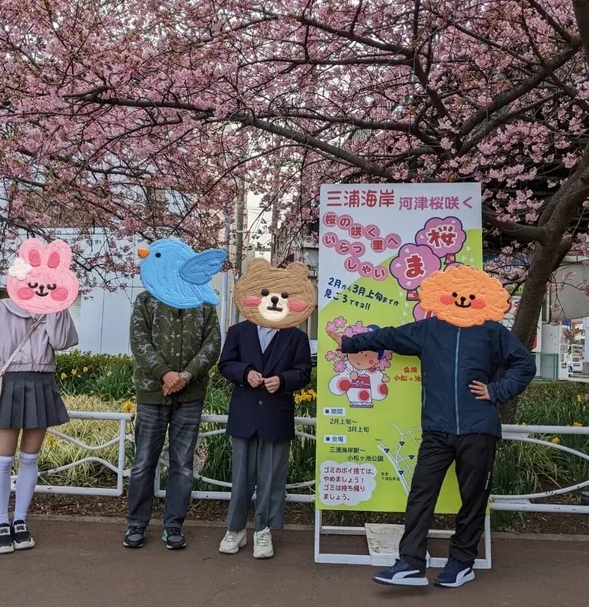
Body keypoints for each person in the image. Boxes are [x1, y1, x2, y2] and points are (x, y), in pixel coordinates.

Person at [327, 268, 536, 588]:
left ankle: (461, 563)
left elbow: (525, 363)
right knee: (421, 495)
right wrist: (350, 342)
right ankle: (410, 563)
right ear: (442, 296)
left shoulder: (491, 331)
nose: (462, 300)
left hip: (478, 429)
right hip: (437, 430)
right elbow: (389, 336)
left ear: (481, 297)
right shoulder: (430, 329)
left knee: (473, 500)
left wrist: (496, 391)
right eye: (455, 294)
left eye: (468, 295)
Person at [124, 240, 223, 551]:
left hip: (190, 395)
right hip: (152, 394)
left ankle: (173, 526)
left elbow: (212, 345)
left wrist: (186, 375)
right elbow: (139, 342)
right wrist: (165, 373)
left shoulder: (205, 304)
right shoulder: (145, 301)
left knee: (182, 463)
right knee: (143, 462)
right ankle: (136, 524)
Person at [0, 299, 78, 554]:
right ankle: (1, 522)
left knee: (30, 458)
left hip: (42, 383)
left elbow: (62, 341)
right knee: (3, 459)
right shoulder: (1, 308)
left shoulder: (53, 306)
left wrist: (57, 304)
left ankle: (20, 520)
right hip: (8, 383)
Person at [217, 258, 316, 558]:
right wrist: (245, 372)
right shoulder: (239, 332)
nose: (274, 301)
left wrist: (282, 381)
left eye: (284, 295)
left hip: (277, 414)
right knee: (241, 477)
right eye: (267, 293)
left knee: (272, 477)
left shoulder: (296, 337)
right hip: (245, 413)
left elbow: (303, 372)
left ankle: (263, 531)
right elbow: (225, 364)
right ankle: (235, 530)